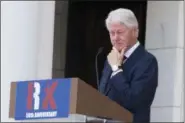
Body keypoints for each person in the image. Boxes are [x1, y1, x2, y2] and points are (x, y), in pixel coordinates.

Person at [99, 8, 158, 123]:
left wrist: (116, 70)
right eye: (112, 33)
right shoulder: (111, 59)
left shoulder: (147, 61)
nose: (115, 38)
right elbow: (102, 96)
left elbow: (133, 101)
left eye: (120, 32)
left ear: (135, 32)